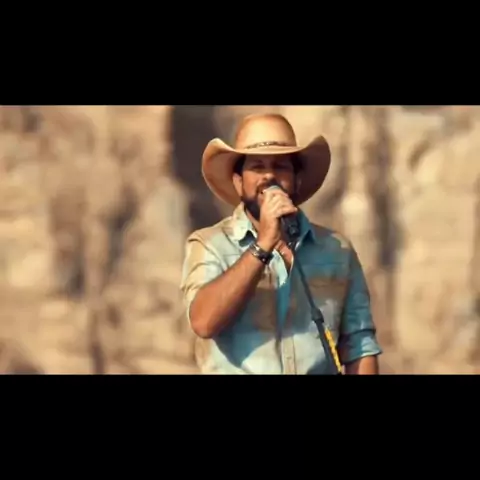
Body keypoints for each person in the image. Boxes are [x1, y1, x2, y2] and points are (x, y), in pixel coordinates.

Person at [180, 113, 382, 374]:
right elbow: (204, 322)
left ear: (297, 178)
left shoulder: (336, 251)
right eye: (257, 166)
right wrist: (263, 244)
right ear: (238, 182)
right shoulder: (210, 244)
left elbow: (360, 346)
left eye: (280, 166)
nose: (269, 176)